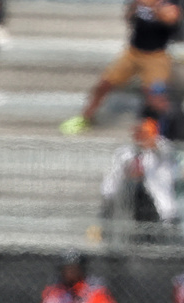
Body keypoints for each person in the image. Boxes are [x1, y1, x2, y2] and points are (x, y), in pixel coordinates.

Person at [62, 0, 181, 134]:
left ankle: (162, 131)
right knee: (104, 84)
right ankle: (86, 117)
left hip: (156, 56)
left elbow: (171, 21)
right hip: (133, 52)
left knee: (155, 96)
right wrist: (135, 8)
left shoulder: (169, 3)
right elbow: (129, 17)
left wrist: (154, 8)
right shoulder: (139, 2)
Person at [100, 117, 177, 230]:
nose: (140, 136)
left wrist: (151, 142)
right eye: (138, 132)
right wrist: (108, 196)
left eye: (145, 133)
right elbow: (113, 178)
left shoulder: (162, 150)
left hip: (155, 205)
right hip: (130, 200)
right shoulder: (125, 153)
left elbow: (167, 152)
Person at [41, 252, 118, 303]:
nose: (70, 272)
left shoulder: (95, 290)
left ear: (81, 269)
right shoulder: (55, 291)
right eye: (67, 268)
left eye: (74, 268)